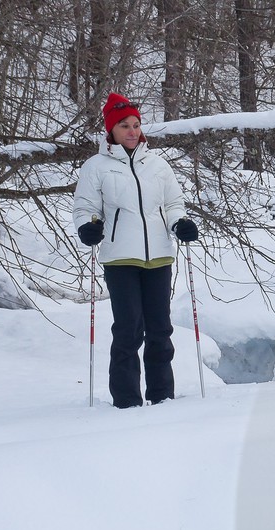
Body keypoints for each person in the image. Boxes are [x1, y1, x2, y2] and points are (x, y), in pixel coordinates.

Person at [72, 93, 199, 408]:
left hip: (158, 256)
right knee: (128, 329)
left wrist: (179, 223)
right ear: (111, 130)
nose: (132, 131)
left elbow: (172, 203)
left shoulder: (157, 164)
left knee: (160, 329)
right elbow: (86, 207)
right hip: (120, 258)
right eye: (124, 125)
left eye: (136, 124)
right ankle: (127, 401)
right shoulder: (96, 166)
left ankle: (162, 397)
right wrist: (88, 226)